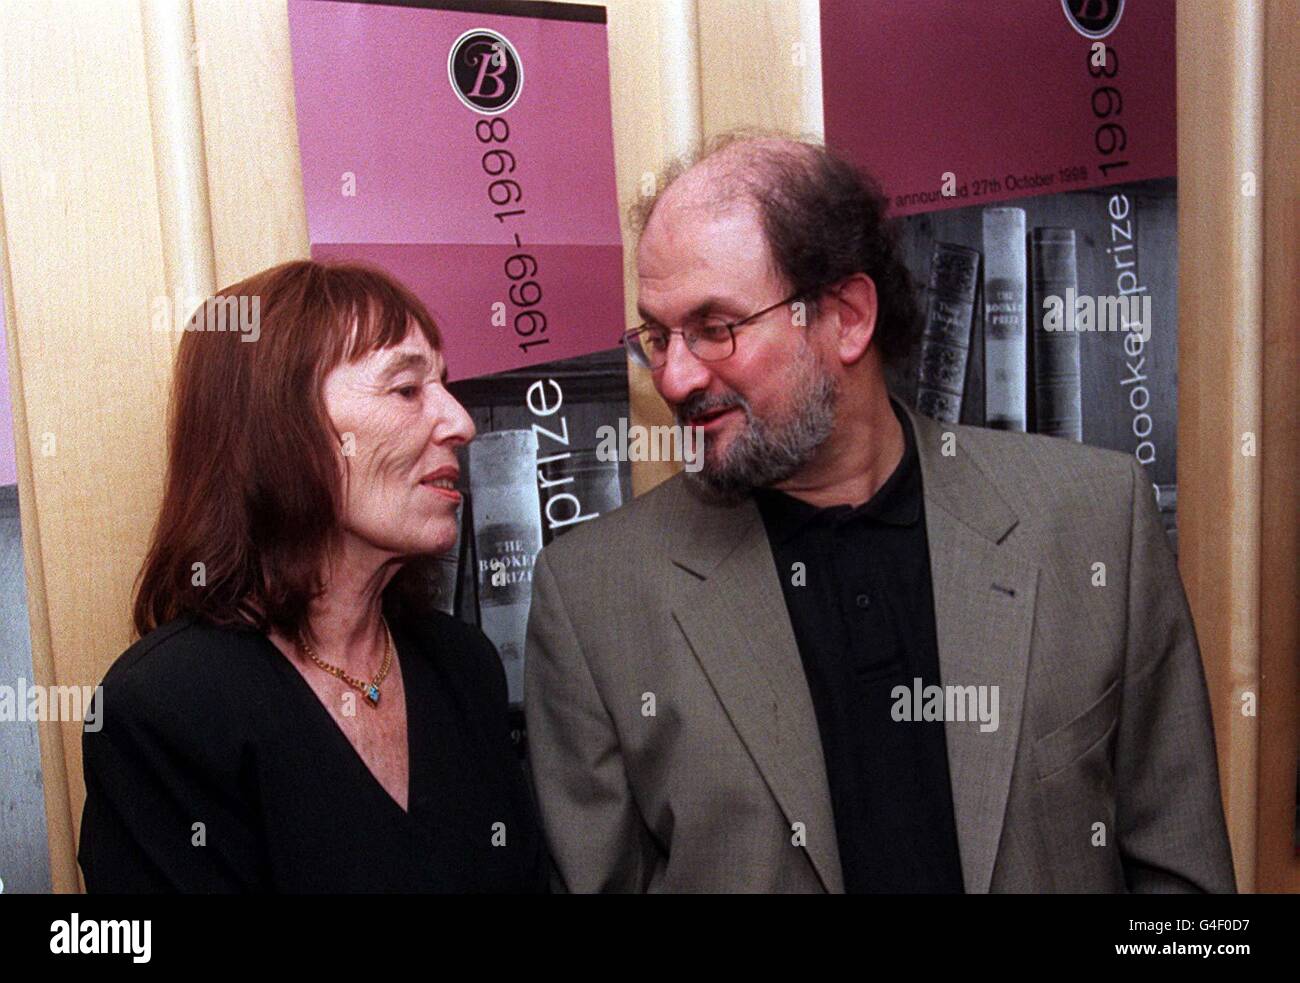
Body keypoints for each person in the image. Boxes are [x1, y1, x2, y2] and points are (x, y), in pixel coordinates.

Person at [523, 134, 1236, 893]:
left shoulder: (1092, 520)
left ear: (847, 317)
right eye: (657, 336)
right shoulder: (594, 598)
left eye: (715, 327)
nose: (675, 375)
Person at [79, 260, 548, 892]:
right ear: (283, 430)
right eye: (407, 390)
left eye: (445, 384)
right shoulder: (167, 708)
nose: (460, 422)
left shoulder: (463, 665)